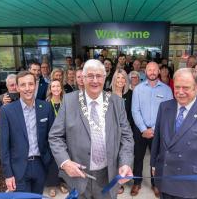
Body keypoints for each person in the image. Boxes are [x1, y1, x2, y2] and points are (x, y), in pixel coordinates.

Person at [48, 59, 134, 199]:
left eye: (99, 76)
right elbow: (55, 136)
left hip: (108, 175)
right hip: (78, 175)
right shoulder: (69, 101)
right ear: (83, 77)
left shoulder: (116, 102)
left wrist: (125, 162)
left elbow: (127, 137)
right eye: (90, 76)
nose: (95, 80)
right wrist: (65, 162)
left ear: (105, 77)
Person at [151, 68, 197, 199]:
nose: (180, 92)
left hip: (190, 184)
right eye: (177, 87)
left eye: (185, 88)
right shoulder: (164, 107)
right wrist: (153, 165)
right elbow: (157, 140)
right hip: (164, 177)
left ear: (196, 88)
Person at [0, 71, 55, 194]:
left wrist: (51, 164)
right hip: (19, 168)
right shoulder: (7, 111)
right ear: (17, 87)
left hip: (41, 165)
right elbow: (4, 146)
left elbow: (53, 138)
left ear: (35, 85)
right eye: (23, 85)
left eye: (30, 84)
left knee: (38, 197)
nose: (27, 88)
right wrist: (8, 174)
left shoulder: (46, 107)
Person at [131, 62, 173, 197]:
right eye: (150, 69)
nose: (152, 72)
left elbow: (168, 112)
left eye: (155, 69)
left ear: (159, 71)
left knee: (157, 159)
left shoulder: (166, 90)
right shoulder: (138, 89)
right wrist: (143, 129)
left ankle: (156, 184)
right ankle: (136, 182)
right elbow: (135, 110)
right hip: (140, 130)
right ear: (146, 71)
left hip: (158, 131)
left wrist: (154, 129)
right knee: (138, 157)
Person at [45, 79, 68, 197]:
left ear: (61, 88)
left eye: (58, 86)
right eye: (53, 86)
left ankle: (62, 183)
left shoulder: (66, 103)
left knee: (64, 160)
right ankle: (52, 185)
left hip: (65, 137)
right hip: (52, 138)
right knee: (52, 162)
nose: (55, 88)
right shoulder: (46, 104)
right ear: (50, 89)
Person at [111, 68, 131, 194]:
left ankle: (120, 181)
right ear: (114, 79)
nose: (120, 80)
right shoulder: (107, 94)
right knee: (112, 158)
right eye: (118, 77)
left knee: (123, 157)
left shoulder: (131, 94)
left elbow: (132, 114)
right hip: (111, 132)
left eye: (123, 77)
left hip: (125, 132)